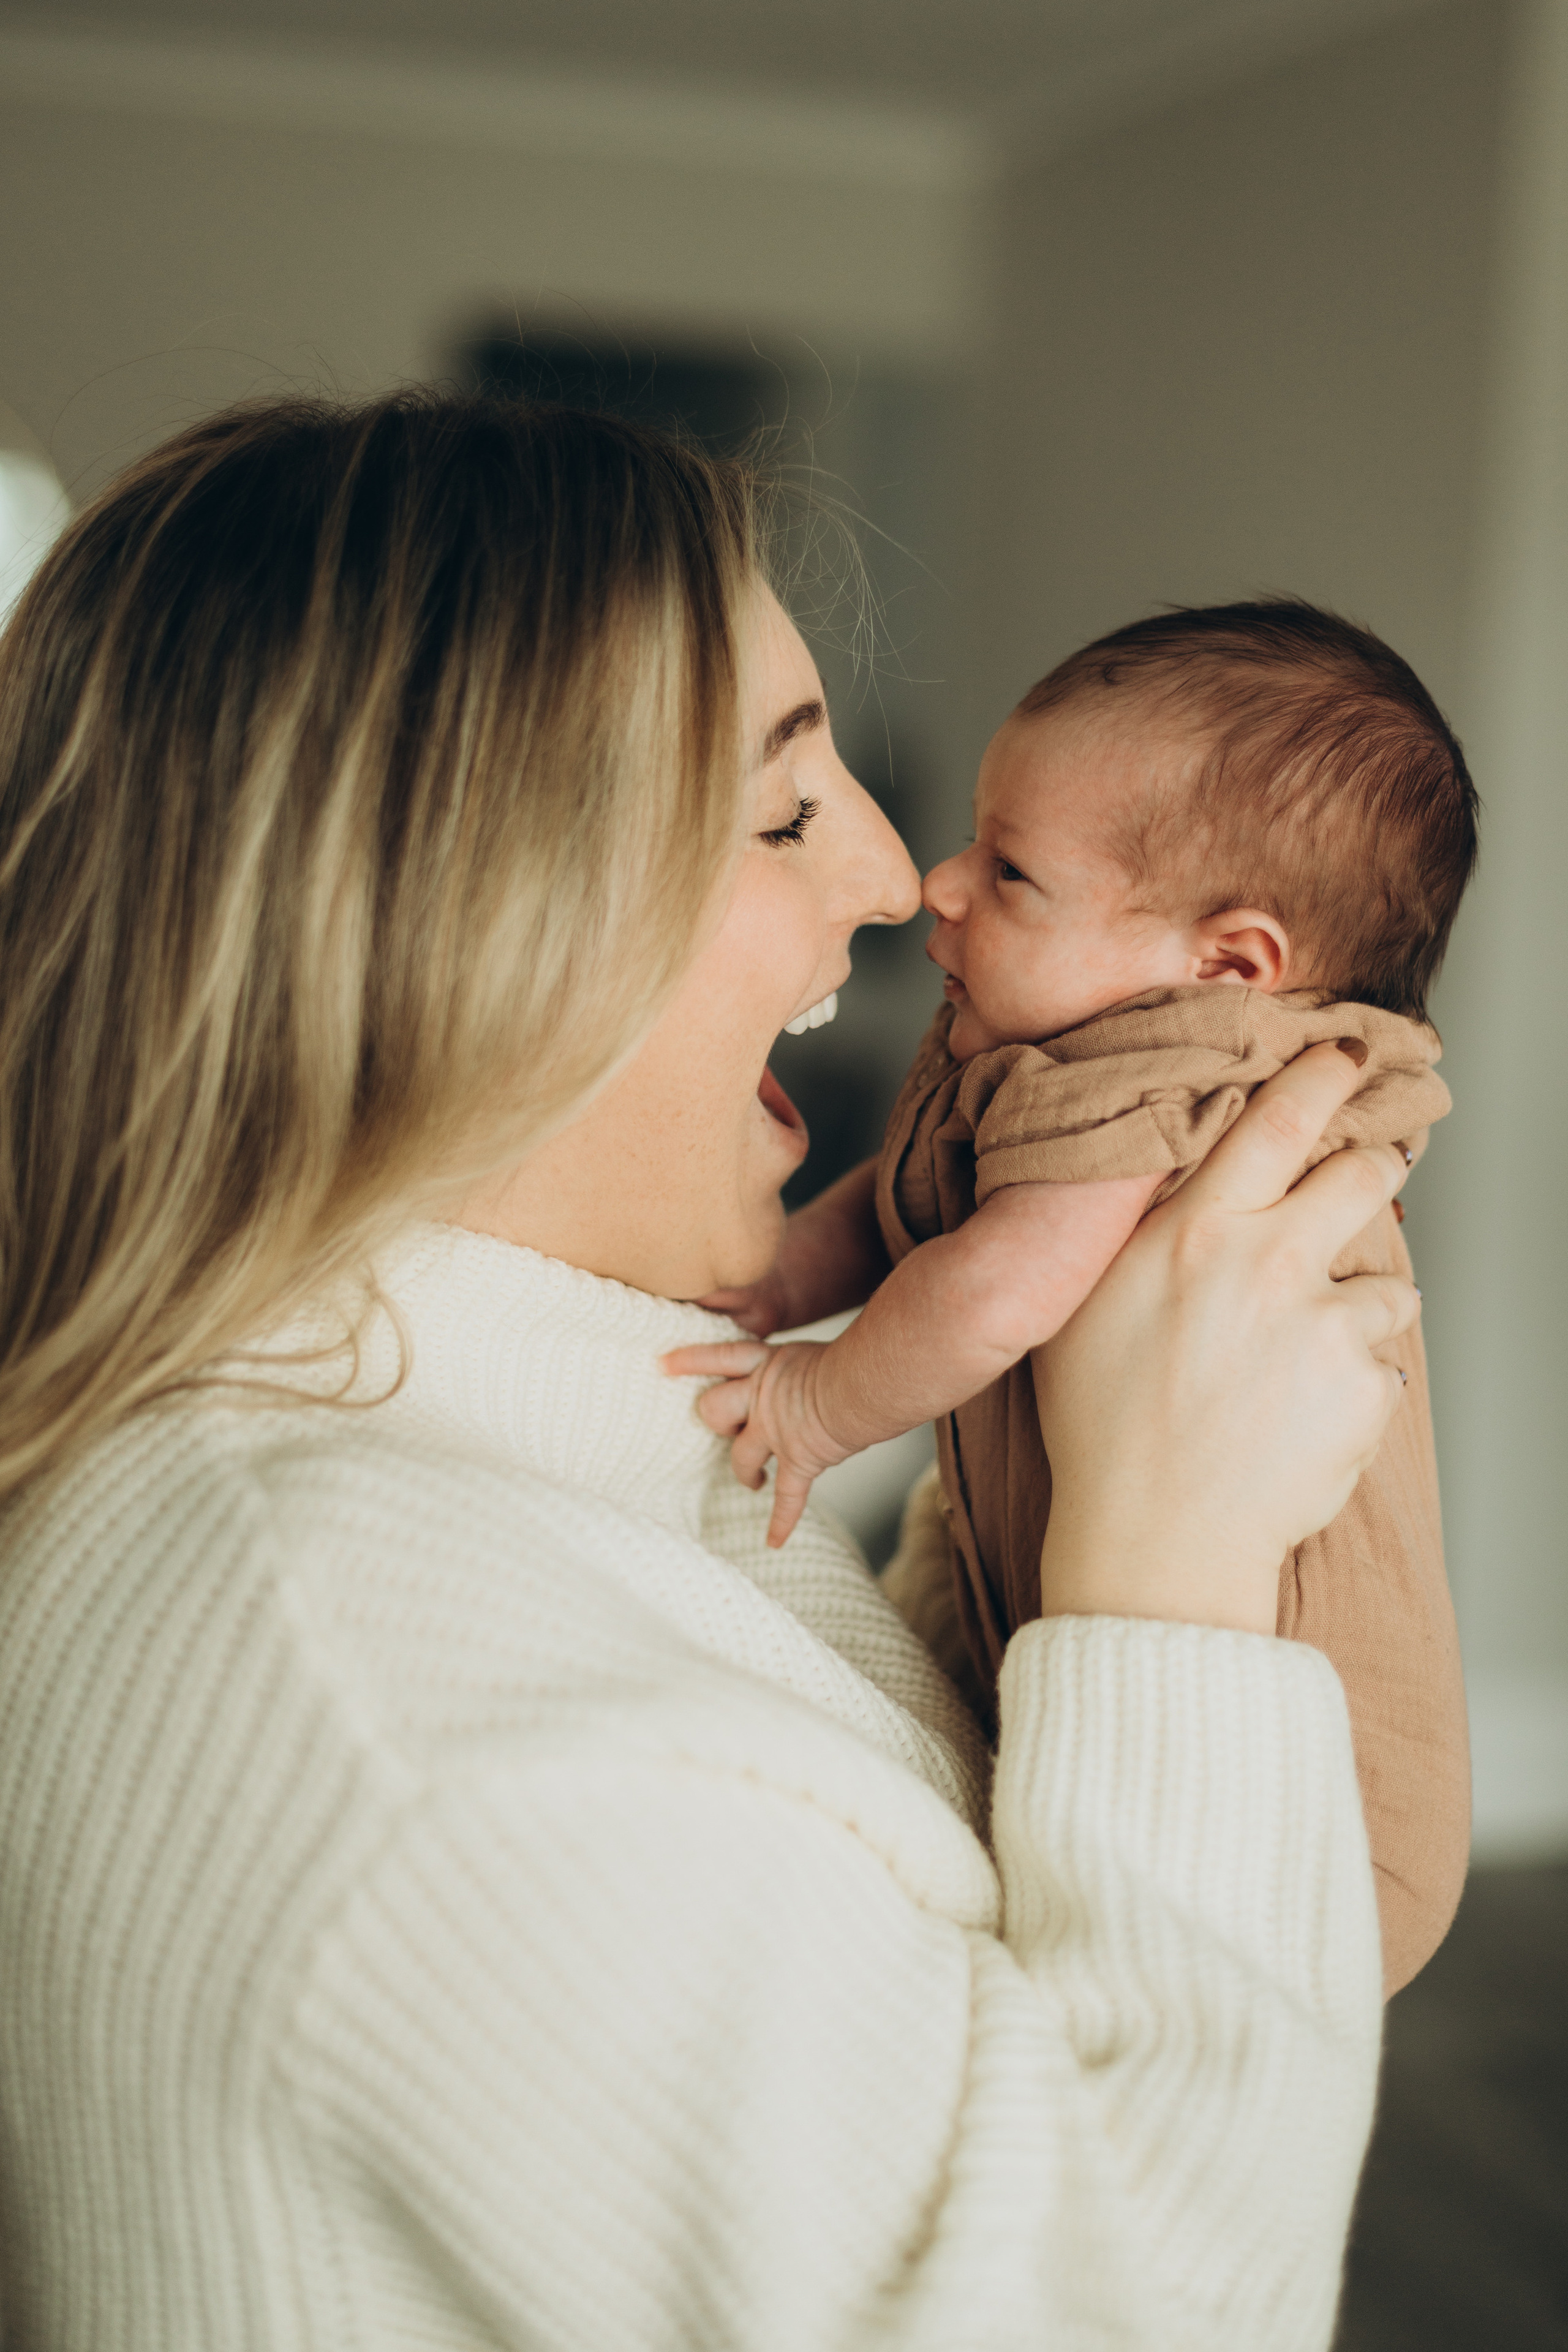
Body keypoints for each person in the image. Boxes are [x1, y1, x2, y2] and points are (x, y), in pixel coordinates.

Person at [0, 391, 1417, 2351]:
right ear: (460, 921)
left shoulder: (468, 1467)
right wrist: (1169, 1587)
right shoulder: (415, 1716)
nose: (893, 876)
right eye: (780, 811)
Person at [669, 598, 1474, 1999]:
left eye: (1011, 871)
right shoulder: (1057, 1048)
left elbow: (995, 1286)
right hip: (1073, 1623)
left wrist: (817, 1401)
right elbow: (919, 1210)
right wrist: (780, 1275)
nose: (938, 884)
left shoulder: (1182, 1079)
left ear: (1226, 968)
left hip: (1311, 1816)